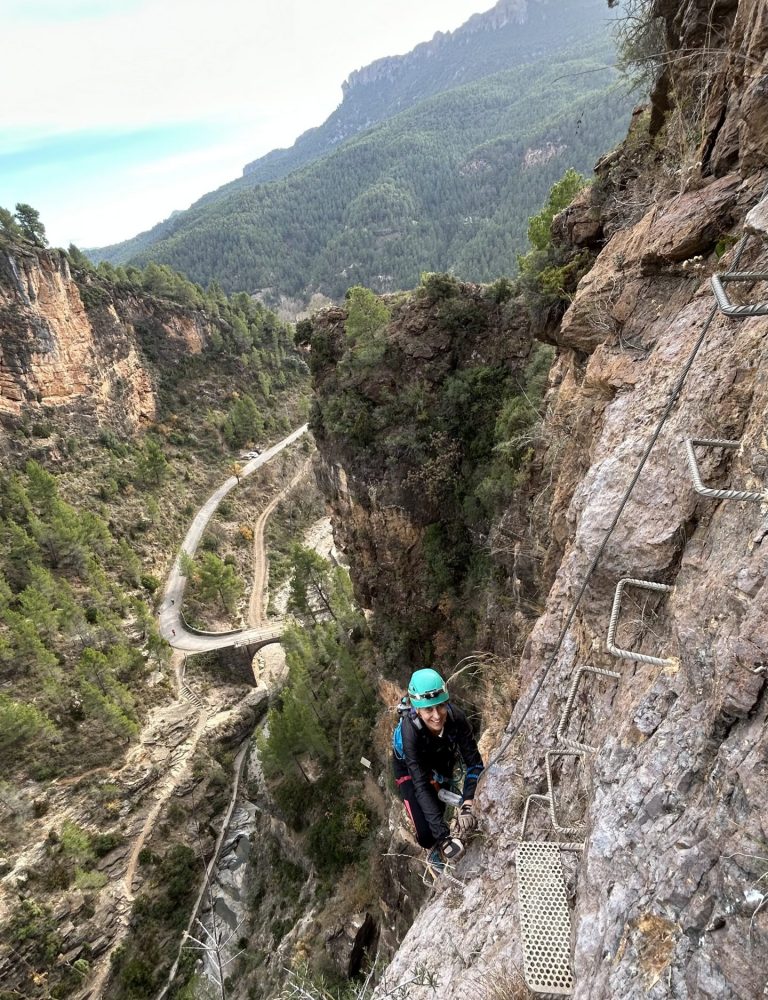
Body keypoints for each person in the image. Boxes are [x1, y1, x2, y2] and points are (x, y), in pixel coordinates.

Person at [392, 668, 484, 868]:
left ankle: (441, 828)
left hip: (438, 755)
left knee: (439, 807)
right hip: (408, 768)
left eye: (440, 705)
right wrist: (444, 839)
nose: (437, 715)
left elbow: (475, 763)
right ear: (417, 709)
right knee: (426, 835)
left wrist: (468, 803)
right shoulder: (410, 732)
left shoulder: (455, 718)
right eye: (428, 710)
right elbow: (421, 785)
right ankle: (434, 847)